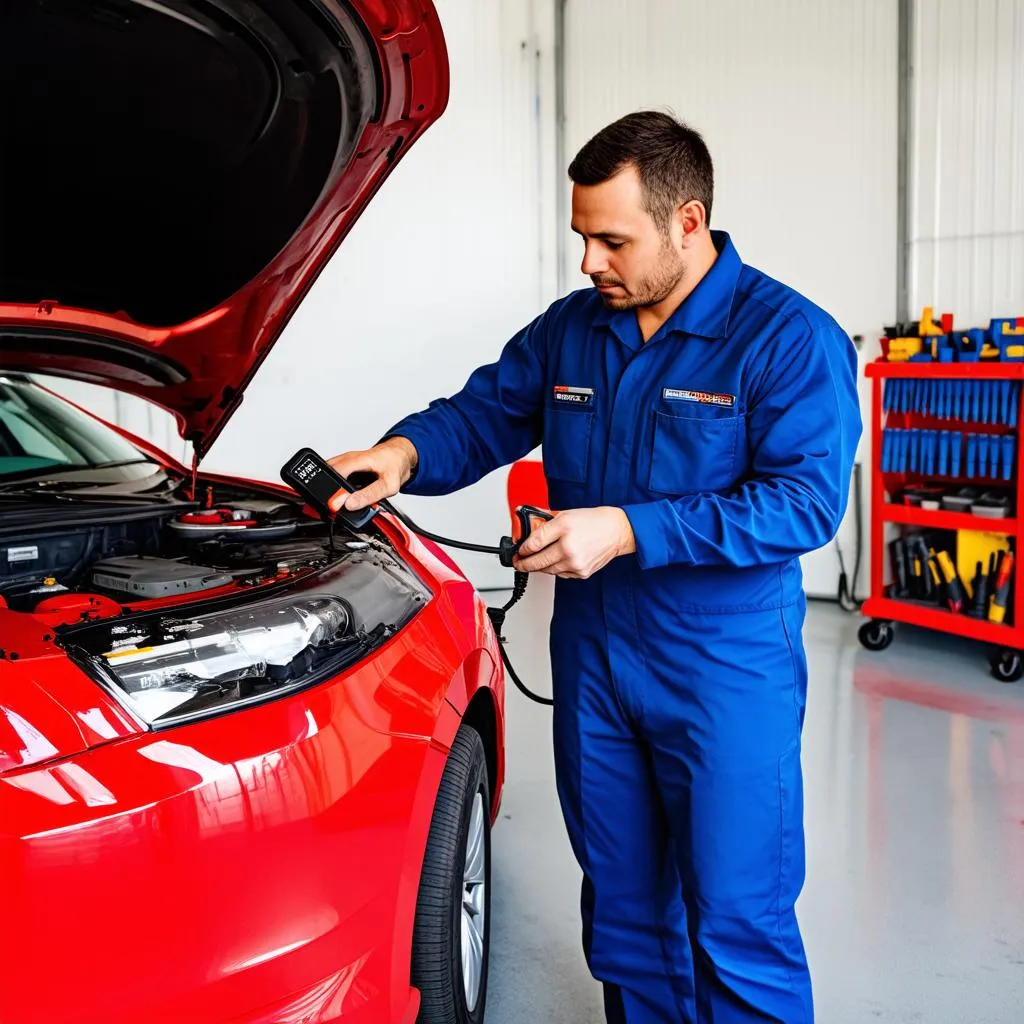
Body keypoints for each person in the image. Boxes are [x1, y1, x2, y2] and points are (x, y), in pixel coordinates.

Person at [328, 110, 861, 1024]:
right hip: (597, 661)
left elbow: (805, 503)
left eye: (612, 240)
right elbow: (486, 411)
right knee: (621, 908)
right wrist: (403, 455)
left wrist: (626, 529)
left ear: (687, 223)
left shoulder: (786, 338)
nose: (589, 263)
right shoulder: (575, 330)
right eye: (582, 237)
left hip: (724, 668)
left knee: (737, 918)